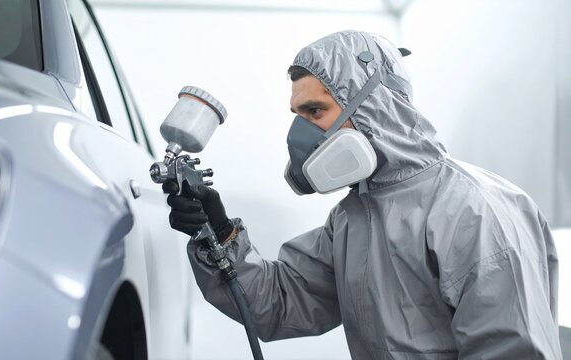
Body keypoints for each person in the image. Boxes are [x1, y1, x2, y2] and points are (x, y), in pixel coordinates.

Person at [163, 30, 562, 358]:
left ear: (373, 105)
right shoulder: (352, 219)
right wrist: (217, 234)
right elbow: (280, 304)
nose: (301, 134)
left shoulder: (474, 211)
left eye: (315, 112)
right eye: (297, 116)